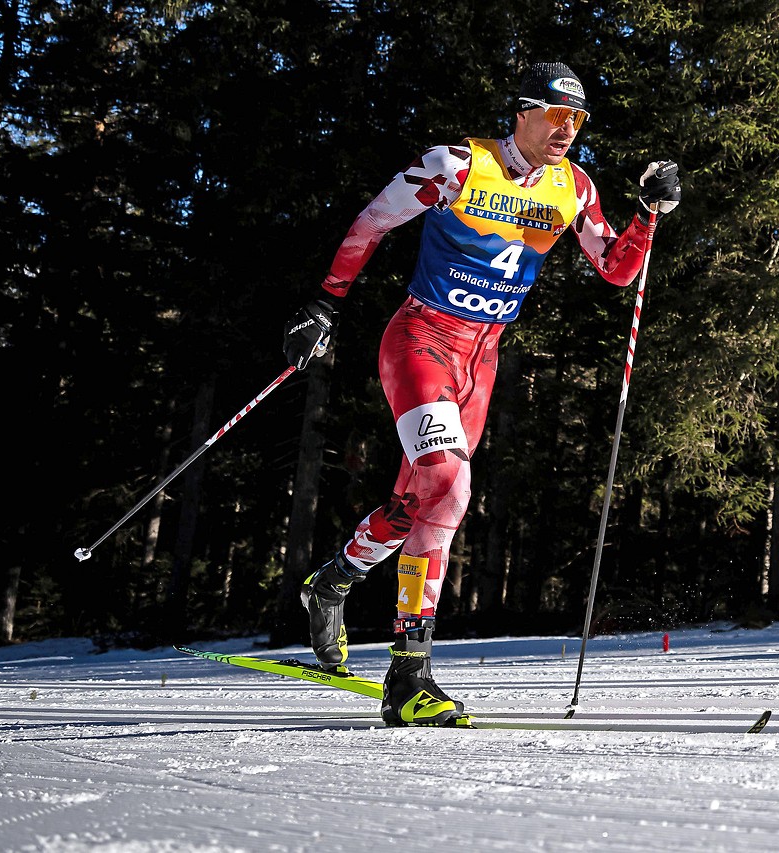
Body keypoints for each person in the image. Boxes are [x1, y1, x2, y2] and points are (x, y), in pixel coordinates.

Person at [282, 62, 682, 727]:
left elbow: (615, 268)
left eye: (578, 120)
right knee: (450, 488)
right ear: (521, 112)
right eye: (556, 116)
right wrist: (324, 304)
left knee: (417, 505)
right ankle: (409, 676)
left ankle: (331, 584)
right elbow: (371, 223)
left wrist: (648, 213)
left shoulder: (573, 188)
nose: (567, 131)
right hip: (421, 339)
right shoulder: (458, 166)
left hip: (481, 363)